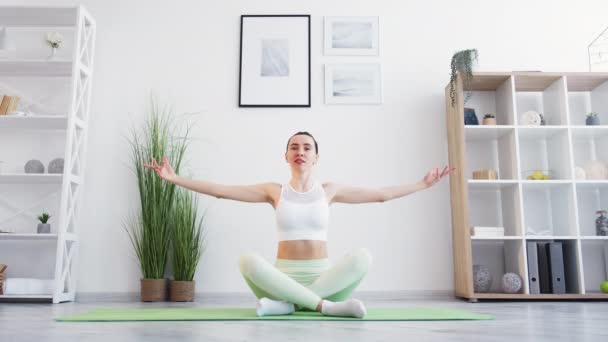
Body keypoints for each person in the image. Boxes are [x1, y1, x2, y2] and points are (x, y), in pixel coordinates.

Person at [145, 131, 453, 318]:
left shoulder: (329, 190)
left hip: (327, 282)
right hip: (281, 281)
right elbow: (221, 190)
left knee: (363, 256)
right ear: (286, 156)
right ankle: (324, 308)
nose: (300, 151)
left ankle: (292, 306)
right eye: (294, 147)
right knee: (247, 260)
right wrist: (175, 179)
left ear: (316, 157)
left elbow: (382, 195)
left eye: (306, 147)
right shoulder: (273, 191)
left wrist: (422, 185)